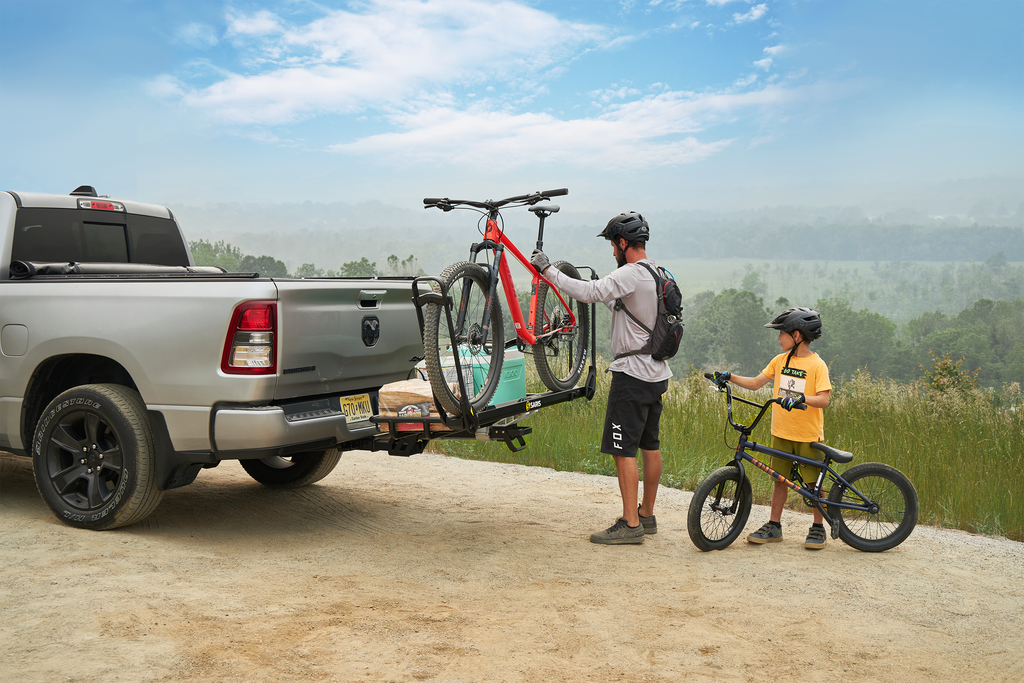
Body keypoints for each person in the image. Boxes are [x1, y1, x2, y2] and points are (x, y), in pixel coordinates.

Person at [530, 212, 672, 545]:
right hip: (656, 373)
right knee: (650, 445)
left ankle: (630, 524)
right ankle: (647, 515)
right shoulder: (658, 272)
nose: (611, 251)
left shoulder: (630, 273)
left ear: (623, 243)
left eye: (612, 243)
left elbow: (590, 292)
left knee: (624, 451)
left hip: (632, 376)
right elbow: (626, 307)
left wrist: (548, 270)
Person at [712, 307, 833, 550]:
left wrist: (801, 399)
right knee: (780, 481)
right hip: (781, 433)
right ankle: (774, 525)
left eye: (782, 333)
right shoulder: (780, 361)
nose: (778, 338)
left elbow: (823, 399)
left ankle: (819, 527)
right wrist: (729, 377)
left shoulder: (816, 365)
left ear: (797, 335)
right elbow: (757, 383)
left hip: (807, 436)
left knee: (813, 485)